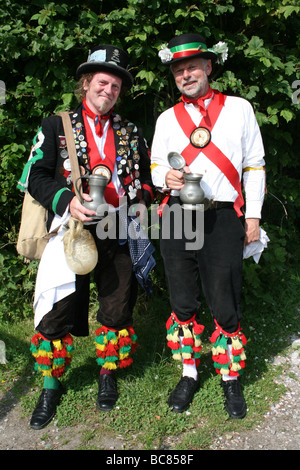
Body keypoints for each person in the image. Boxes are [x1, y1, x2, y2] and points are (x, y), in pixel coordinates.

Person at [18, 44, 154, 429]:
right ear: (86, 83)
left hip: (118, 228)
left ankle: (107, 374)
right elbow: (35, 177)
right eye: (102, 82)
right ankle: (50, 385)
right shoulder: (55, 124)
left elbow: (144, 178)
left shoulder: (130, 130)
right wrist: (66, 203)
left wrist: (142, 200)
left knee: (117, 306)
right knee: (56, 309)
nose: (108, 90)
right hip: (71, 229)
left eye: (115, 85)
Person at [151, 33, 266, 418]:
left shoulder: (239, 108)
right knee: (182, 299)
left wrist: (253, 217)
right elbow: (154, 166)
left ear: (209, 67)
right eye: (179, 70)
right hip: (177, 217)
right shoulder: (167, 118)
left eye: (192, 67)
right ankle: (188, 372)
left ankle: (229, 378)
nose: (186, 75)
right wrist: (163, 176)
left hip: (222, 217)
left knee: (225, 299)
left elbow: (254, 165)